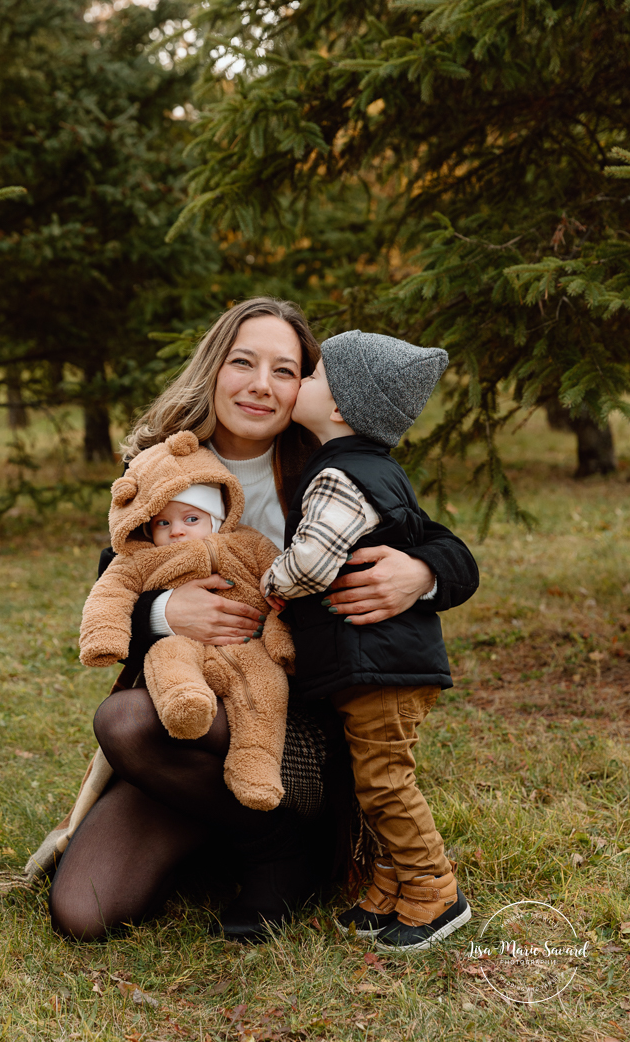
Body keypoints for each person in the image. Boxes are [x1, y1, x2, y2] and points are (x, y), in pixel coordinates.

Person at [47, 297, 479, 943]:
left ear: (310, 387)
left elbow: (447, 547)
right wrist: (166, 611)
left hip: (301, 728)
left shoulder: (329, 467)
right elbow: (116, 574)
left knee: (129, 719)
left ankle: (283, 853)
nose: (259, 384)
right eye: (243, 362)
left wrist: (423, 574)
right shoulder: (166, 465)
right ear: (214, 368)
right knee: (85, 908)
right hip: (194, 722)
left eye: (284, 369)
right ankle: (224, 825)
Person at [261, 331, 472, 951]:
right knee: (370, 780)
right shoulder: (368, 467)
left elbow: (313, 561)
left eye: (315, 373)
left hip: (378, 663)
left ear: (341, 407)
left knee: (384, 781)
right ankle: (389, 890)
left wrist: (268, 580)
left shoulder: (338, 477)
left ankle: (435, 892)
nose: (300, 379)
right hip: (374, 663)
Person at [79, 431, 295, 813]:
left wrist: (282, 641)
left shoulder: (251, 540)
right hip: (184, 651)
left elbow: (279, 592)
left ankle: (256, 767)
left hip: (257, 657)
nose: (177, 531)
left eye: (192, 518)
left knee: (264, 688)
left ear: (216, 517)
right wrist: (154, 615)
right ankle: (186, 703)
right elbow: (110, 591)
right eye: (163, 523)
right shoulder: (158, 469)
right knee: (167, 660)